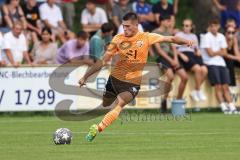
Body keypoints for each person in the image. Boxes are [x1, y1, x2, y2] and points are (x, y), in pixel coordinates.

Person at [78, 12, 193, 142]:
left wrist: (185, 41)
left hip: (132, 82)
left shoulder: (146, 37)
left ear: (136, 25)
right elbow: (103, 60)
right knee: (106, 104)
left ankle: (97, 128)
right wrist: (85, 76)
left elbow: (171, 39)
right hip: (115, 79)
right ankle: (103, 118)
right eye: (123, 26)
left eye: (127, 26)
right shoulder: (117, 39)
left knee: (119, 104)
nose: (124, 29)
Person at [201, 19, 238, 114]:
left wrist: (216, 52)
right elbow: (210, 54)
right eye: (212, 26)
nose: (214, 28)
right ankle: (224, 107)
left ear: (218, 27)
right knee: (218, 86)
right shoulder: (206, 37)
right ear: (210, 26)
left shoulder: (221, 36)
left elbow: (225, 52)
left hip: (221, 63)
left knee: (225, 86)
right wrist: (219, 52)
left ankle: (232, 107)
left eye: (215, 26)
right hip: (211, 63)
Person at [152, 15, 188, 112]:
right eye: (167, 21)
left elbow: (173, 47)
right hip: (161, 58)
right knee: (170, 76)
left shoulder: (169, 31)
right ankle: (164, 101)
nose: (170, 23)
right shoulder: (155, 33)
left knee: (185, 77)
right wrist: (171, 60)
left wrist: (175, 59)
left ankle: (178, 102)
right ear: (162, 21)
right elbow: (159, 50)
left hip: (171, 57)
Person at [176, 19, 208, 102]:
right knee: (198, 68)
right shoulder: (178, 34)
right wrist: (181, 55)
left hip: (193, 55)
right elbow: (174, 49)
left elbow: (196, 48)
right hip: (184, 54)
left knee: (204, 70)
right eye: (183, 25)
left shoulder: (194, 36)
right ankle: (198, 91)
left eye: (187, 25)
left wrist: (198, 51)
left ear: (191, 27)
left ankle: (196, 90)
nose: (184, 27)